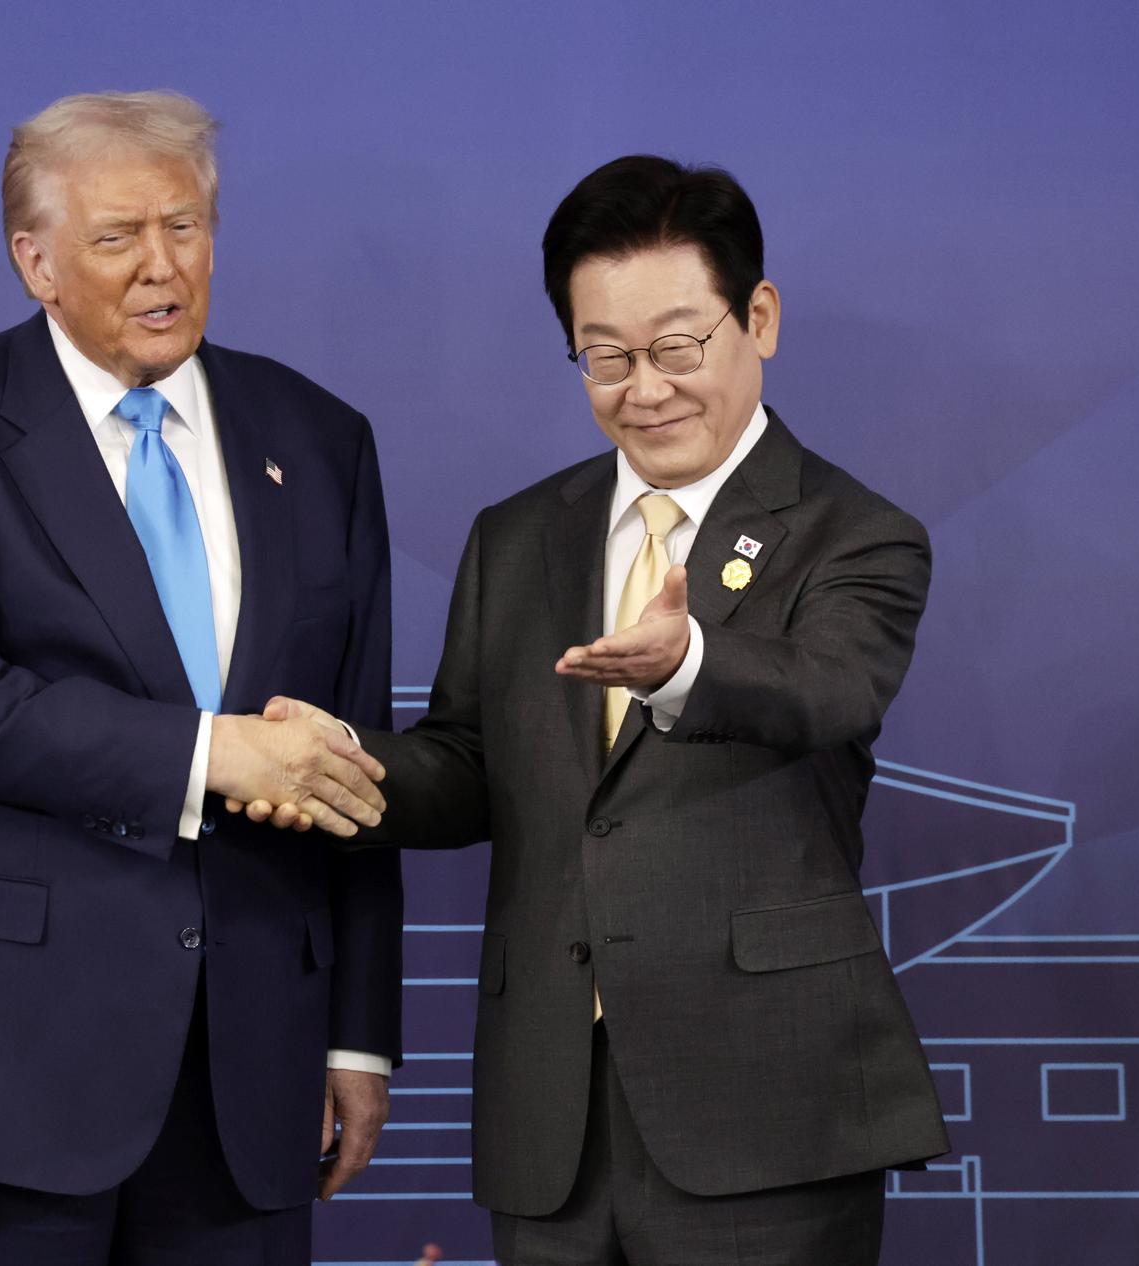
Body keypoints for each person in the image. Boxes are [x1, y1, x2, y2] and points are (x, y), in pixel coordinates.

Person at [240, 156, 950, 1264]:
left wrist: (683, 664)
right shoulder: (520, 535)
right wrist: (334, 766)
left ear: (756, 318)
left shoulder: (854, 532)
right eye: (605, 356)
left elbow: (827, 690)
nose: (645, 388)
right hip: (550, 1113)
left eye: (676, 347)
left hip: (766, 1113)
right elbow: (472, 761)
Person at [0, 90, 403, 1266]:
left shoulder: (321, 437)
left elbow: (353, 752)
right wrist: (209, 752)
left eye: (185, 228)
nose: (161, 266)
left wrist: (356, 1039)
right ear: (36, 261)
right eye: (117, 238)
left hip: (250, 1067)